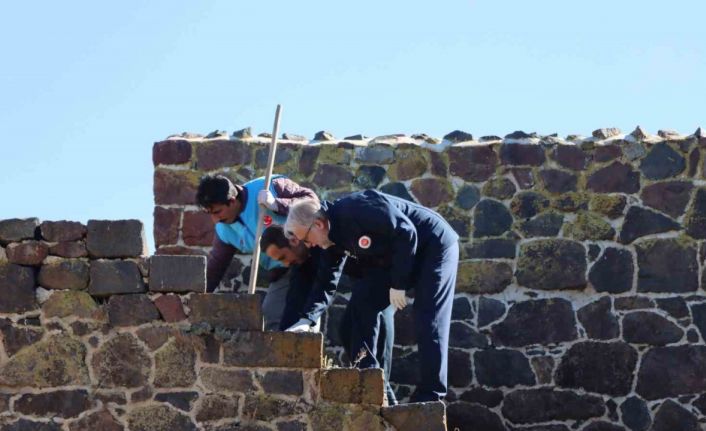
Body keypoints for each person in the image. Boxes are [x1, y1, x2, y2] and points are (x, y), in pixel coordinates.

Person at [284, 190, 458, 403]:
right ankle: (376, 386)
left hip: (432, 245)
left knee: (428, 318)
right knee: (358, 308)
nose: (308, 246)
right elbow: (326, 282)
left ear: (318, 225)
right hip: (395, 258)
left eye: (305, 239)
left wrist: (399, 284)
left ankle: (430, 396)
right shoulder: (330, 240)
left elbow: (406, 231)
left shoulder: (357, 209)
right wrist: (307, 320)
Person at [260, 224, 398, 405]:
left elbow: (324, 286)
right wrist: (286, 342)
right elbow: (294, 303)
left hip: (381, 278)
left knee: (368, 347)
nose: (285, 264)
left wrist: (308, 319)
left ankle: (386, 403)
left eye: (284, 256)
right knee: (348, 333)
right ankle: (386, 402)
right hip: (363, 288)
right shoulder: (302, 264)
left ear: (294, 241)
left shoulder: (324, 243)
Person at [195, 174, 318, 331]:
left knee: (306, 315)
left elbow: (312, 202)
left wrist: (277, 204)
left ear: (232, 201)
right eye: (210, 213)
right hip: (281, 272)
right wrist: (195, 299)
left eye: (217, 212)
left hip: (306, 258)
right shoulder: (223, 231)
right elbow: (215, 268)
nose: (214, 219)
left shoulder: (270, 186)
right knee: (271, 317)